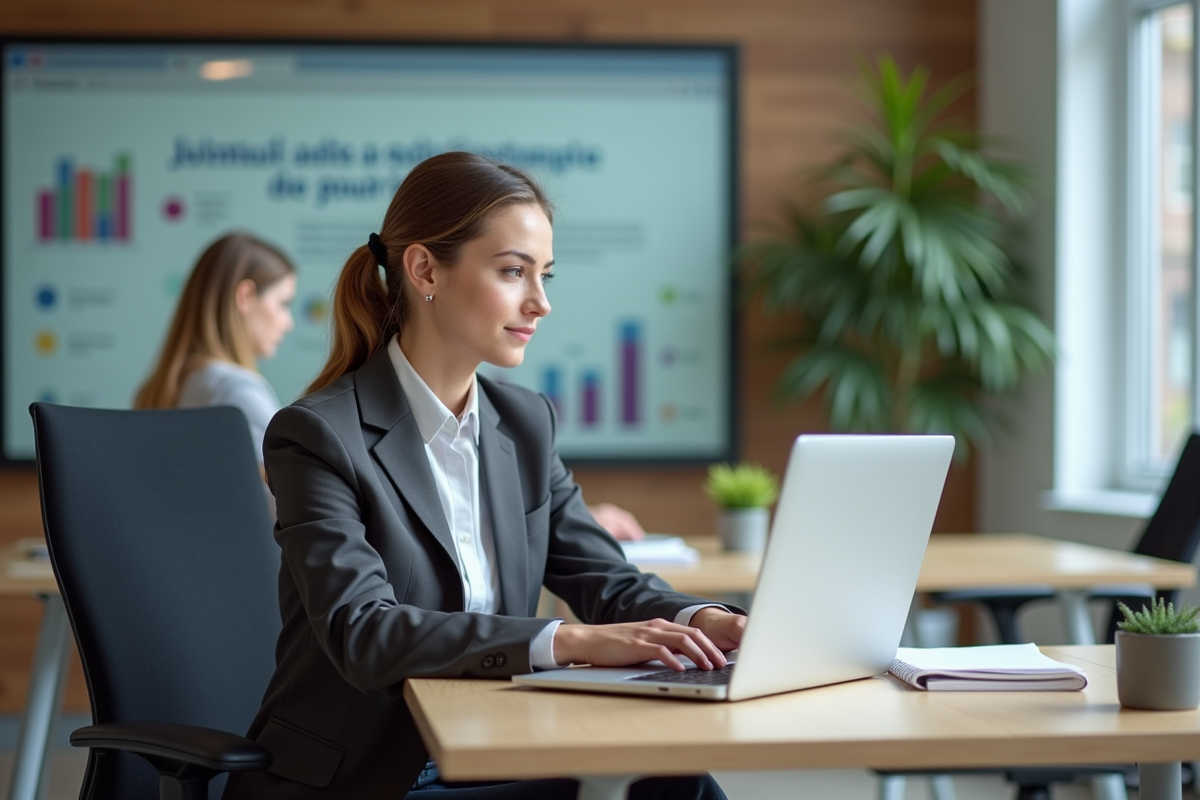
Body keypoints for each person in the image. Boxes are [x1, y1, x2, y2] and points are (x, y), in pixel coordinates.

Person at [226, 152, 746, 800]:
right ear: (424, 270)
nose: (541, 302)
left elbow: (606, 581)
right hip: (366, 780)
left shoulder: (525, 424)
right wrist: (572, 642)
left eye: (545, 276)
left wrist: (705, 620)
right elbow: (365, 632)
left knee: (673, 781)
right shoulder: (319, 434)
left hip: (491, 749)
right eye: (512, 272)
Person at [134, 232, 297, 465]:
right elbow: (287, 498)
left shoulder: (170, 386)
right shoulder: (238, 393)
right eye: (283, 304)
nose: (288, 322)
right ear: (246, 296)